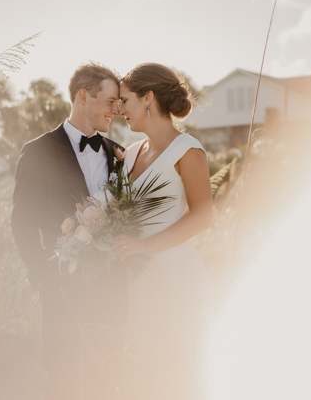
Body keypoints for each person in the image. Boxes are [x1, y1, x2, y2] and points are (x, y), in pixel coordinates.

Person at [11, 63, 127, 400]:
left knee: (106, 379)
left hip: (112, 292)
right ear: (82, 96)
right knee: (61, 381)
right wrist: (45, 275)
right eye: (110, 102)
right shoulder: (37, 151)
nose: (116, 111)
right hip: (62, 289)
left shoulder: (118, 155)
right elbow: (22, 222)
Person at [113, 63, 214, 400]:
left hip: (175, 276)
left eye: (124, 100)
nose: (120, 109)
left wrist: (146, 246)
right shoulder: (129, 156)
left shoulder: (188, 150)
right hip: (138, 278)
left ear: (148, 98)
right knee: (148, 369)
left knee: (180, 369)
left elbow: (202, 216)